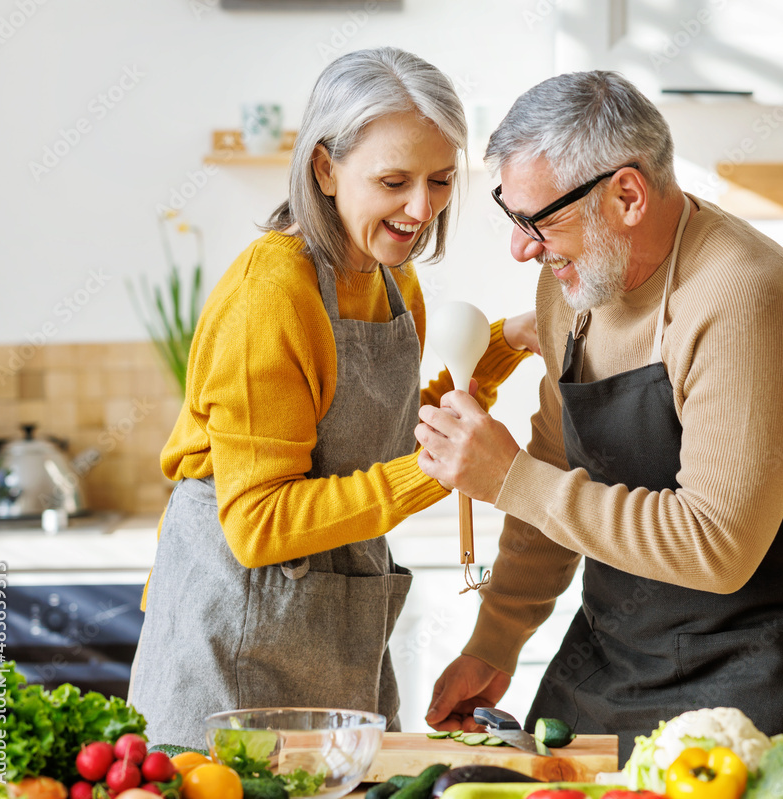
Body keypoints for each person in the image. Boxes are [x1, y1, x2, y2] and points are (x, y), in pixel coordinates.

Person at [415, 71, 783, 762]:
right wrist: (495, 639)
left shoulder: (742, 295)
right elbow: (556, 463)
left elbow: (716, 544)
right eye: (514, 215)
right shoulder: (571, 286)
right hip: (619, 644)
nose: (522, 247)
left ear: (627, 194)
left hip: (759, 651)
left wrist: (508, 477)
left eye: (539, 221)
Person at [129, 47, 537, 748]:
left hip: (335, 628)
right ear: (325, 167)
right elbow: (258, 524)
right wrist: (437, 471)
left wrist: (502, 347)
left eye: (440, 180)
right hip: (232, 640)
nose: (421, 207)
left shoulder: (389, 277)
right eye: (393, 180)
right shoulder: (272, 294)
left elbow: (376, 433)